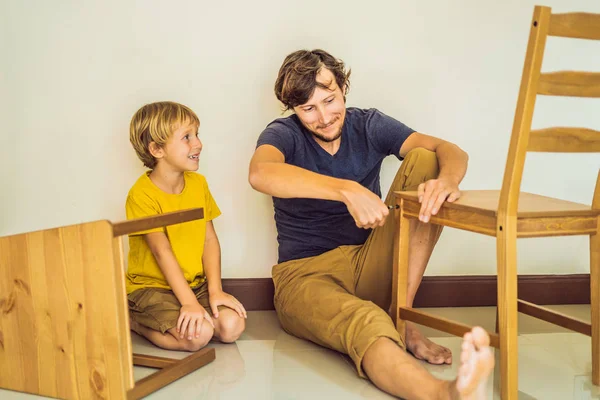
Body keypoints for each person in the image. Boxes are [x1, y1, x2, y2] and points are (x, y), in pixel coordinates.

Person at [248, 49, 493, 399]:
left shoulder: (367, 124)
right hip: (305, 276)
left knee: (426, 159)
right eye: (308, 109)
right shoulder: (283, 134)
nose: (323, 117)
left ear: (343, 87)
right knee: (365, 322)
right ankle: (444, 394)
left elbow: (448, 150)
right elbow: (260, 173)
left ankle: (402, 317)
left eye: (330, 100)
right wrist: (345, 190)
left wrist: (448, 181)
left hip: (369, 261)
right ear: (294, 110)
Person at [126, 101, 246, 351]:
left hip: (193, 283)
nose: (198, 144)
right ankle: (133, 320)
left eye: (197, 134)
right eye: (186, 137)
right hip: (153, 288)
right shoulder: (141, 195)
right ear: (157, 149)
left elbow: (209, 240)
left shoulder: (198, 184)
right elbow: (162, 252)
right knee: (197, 337)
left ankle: (191, 309)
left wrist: (215, 291)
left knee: (232, 327)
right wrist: (189, 303)